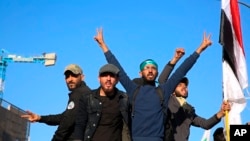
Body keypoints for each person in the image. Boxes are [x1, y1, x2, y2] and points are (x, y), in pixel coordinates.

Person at [94, 27, 212, 141]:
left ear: (157, 73)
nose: (150, 70)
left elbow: (182, 71)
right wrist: (103, 45)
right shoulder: (133, 89)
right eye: (147, 68)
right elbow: (117, 67)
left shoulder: (163, 91)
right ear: (141, 73)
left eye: (153, 68)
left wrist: (200, 49)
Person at [21, 64, 91, 141]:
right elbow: (64, 117)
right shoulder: (84, 93)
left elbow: (67, 122)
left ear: (82, 77)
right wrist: (40, 118)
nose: (70, 79)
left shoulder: (79, 93)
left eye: (74, 75)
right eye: (67, 76)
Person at [158, 76, 231, 141]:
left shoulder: (189, 110)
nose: (184, 87)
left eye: (186, 86)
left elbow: (205, 124)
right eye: (179, 85)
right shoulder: (167, 100)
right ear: (172, 90)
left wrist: (221, 113)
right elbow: (161, 80)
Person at [73, 64, 130, 141]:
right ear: (99, 78)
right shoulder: (87, 98)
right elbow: (80, 124)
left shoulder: (124, 99)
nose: (108, 78)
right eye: (105, 75)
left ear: (117, 80)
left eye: (112, 76)